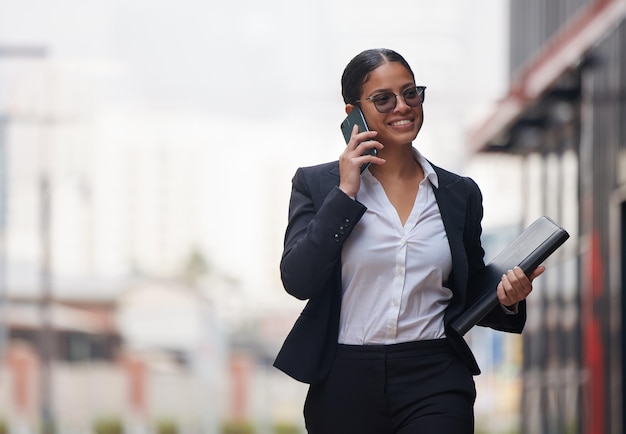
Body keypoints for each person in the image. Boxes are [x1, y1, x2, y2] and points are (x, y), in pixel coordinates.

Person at [273, 48, 544, 434]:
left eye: (410, 93)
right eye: (383, 98)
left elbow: (469, 285)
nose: (402, 106)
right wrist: (345, 192)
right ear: (353, 111)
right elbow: (298, 280)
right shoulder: (317, 186)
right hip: (344, 379)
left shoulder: (458, 193)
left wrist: (510, 298)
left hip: (434, 374)